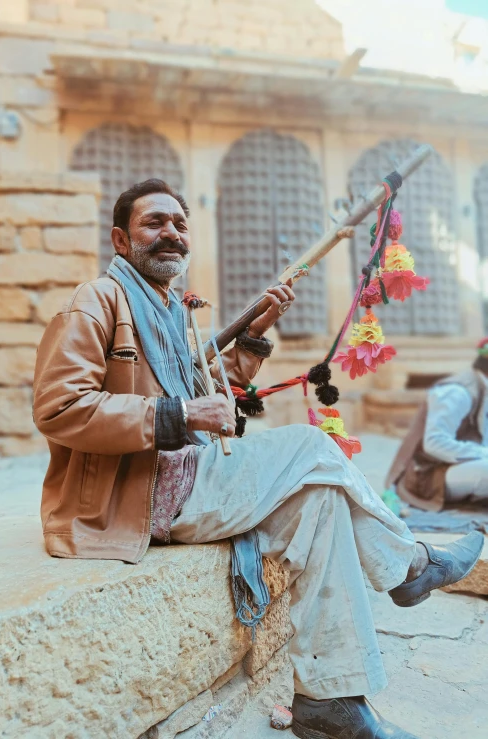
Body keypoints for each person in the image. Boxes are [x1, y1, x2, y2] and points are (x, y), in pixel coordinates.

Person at [33, 179, 483, 739]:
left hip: (190, 475)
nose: (171, 232)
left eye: (180, 223)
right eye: (155, 223)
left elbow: (213, 394)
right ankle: (412, 564)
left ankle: (332, 702)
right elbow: (60, 408)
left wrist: (253, 337)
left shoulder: (173, 310)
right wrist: (178, 415)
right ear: (122, 241)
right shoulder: (95, 300)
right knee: (312, 445)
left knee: (321, 499)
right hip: (137, 492)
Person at [386, 340, 488, 512]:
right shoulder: (457, 392)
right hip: (426, 478)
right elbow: (435, 443)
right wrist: (483, 453)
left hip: (457, 469)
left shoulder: (482, 388)